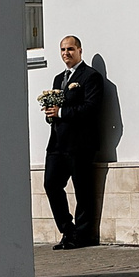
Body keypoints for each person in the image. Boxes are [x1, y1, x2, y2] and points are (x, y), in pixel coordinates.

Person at [41, 34, 104, 250]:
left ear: (79, 51)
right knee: (51, 184)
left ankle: (83, 235)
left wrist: (61, 112)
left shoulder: (90, 77)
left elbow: (91, 109)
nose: (66, 53)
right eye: (62, 50)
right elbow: (55, 109)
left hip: (80, 144)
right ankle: (68, 230)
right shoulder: (59, 78)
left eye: (70, 49)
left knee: (82, 190)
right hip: (58, 143)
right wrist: (51, 114)